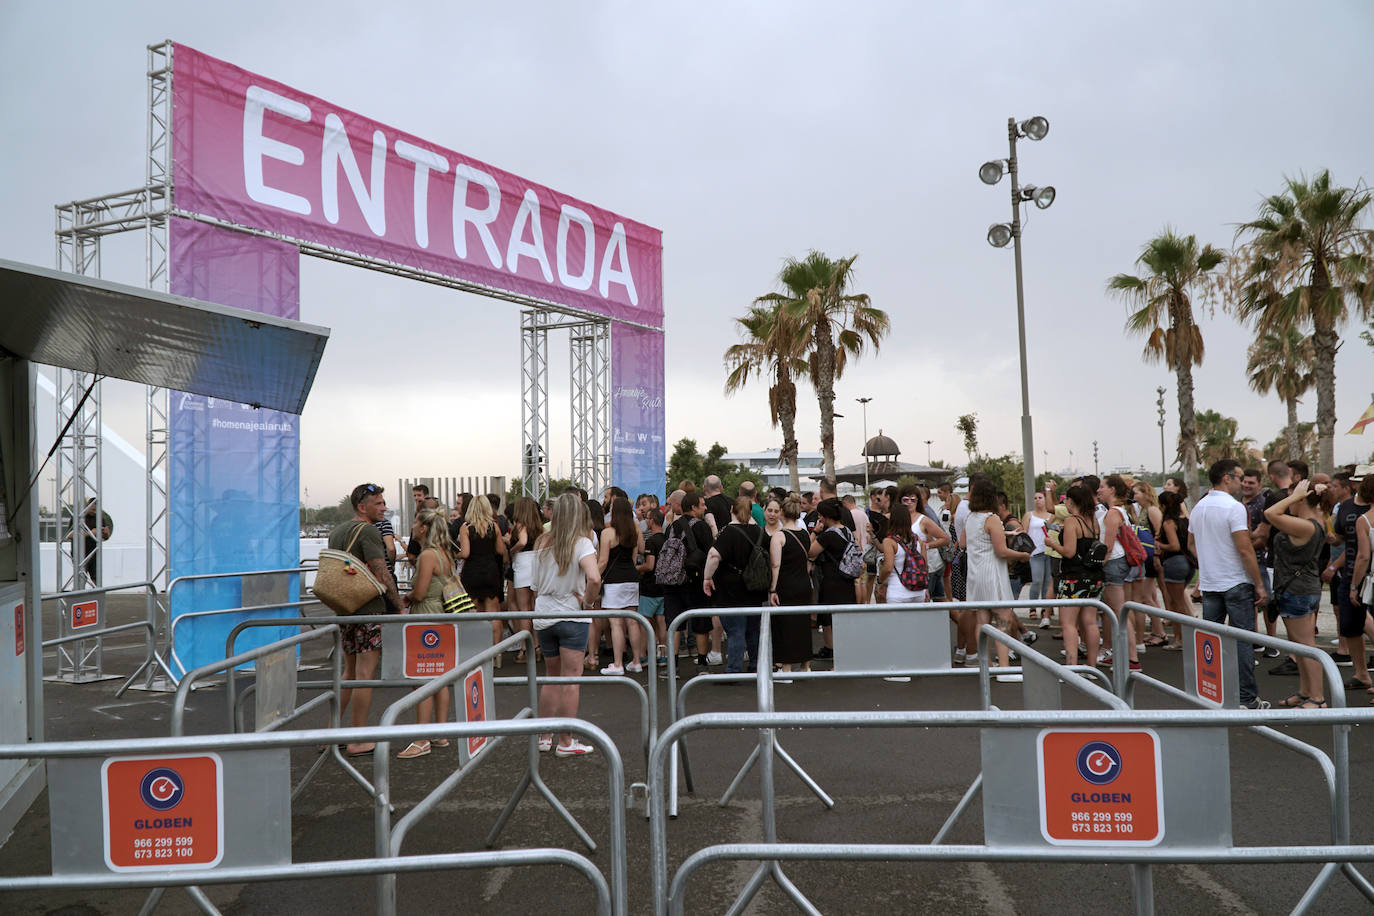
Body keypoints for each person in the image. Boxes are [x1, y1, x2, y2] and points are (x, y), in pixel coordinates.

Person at [328, 483, 402, 757]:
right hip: (368, 609)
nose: (383, 507)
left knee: (348, 673)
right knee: (365, 674)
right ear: (363, 507)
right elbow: (381, 571)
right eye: (379, 503)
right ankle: (358, 738)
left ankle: (331, 733)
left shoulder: (337, 532)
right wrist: (398, 605)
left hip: (344, 609)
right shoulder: (369, 531)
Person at [1189, 459, 1269, 709]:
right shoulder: (1234, 508)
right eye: (1239, 477)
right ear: (1227, 478)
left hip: (1212, 583)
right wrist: (1259, 584)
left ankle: (1211, 693)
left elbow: (1191, 545)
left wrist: (1209, 563)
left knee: (1210, 642)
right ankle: (1246, 698)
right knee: (1242, 640)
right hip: (1235, 581)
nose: (1241, 482)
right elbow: (1245, 549)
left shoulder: (1199, 507)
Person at [530, 493, 601, 756]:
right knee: (571, 680)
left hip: (544, 614)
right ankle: (566, 741)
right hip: (572, 614)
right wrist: (589, 604)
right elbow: (594, 578)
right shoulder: (581, 543)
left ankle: (544, 736)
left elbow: (534, 585)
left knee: (552, 678)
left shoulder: (541, 541)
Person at [396, 508, 458, 759]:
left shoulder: (427, 555)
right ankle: (439, 732)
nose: (412, 526)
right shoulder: (445, 553)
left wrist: (406, 598)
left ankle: (422, 739)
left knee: (420, 676)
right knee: (440, 676)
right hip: (442, 614)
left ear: (423, 528)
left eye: (415, 522)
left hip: (425, 616)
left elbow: (420, 592)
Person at [1263, 480, 1329, 708]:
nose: (1286, 503)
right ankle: (1305, 691)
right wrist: (1305, 494)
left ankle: (1318, 698)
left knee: (1306, 646)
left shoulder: (1307, 526)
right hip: (1299, 588)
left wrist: (1295, 496)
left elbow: (1270, 513)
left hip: (1298, 590)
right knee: (1298, 646)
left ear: (1302, 499)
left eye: (1291, 498)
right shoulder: (1312, 520)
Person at [961, 478, 1031, 680]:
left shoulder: (971, 517)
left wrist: (1006, 532)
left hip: (976, 574)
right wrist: (1022, 556)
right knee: (1003, 619)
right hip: (992, 573)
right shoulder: (991, 518)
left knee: (982, 621)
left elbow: (964, 543)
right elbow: (1001, 551)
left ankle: (988, 667)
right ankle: (1004, 669)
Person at [703, 495, 776, 674]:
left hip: (731, 589)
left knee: (736, 630)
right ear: (751, 512)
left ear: (731, 511)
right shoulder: (760, 532)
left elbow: (713, 556)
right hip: (755, 586)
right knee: (753, 630)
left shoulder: (728, 533)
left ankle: (733, 669)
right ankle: (757, 666)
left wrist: (707, 578)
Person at [1045, 483, 1103, 668]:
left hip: (1073, 577)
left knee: (1068, 624)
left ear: (1070, 501)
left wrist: (1052, 543)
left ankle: (1071, 666)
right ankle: (1092, 667)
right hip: (1094, 576)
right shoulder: (1093, 521)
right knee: (1090, 623)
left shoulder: (1072, 521)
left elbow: (1069, 552)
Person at [598, 496, 647, 674]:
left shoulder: (608, 533)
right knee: (632, 622)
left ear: (613, 511)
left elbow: (603, 561)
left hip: (613, 582)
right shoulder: (634, 531)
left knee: (616, 623)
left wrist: (593, 577)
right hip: (632, 579)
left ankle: (618, 664)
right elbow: (636, 556)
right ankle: (636, 661)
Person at [1333, 474, 1374, 690]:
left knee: (1352, 622)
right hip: (1356, 574)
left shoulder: (1364, 520)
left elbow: (1363, 556)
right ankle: (1361, 674)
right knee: (1352, 626)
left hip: (1360, 577)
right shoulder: (1348, 509)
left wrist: (1353, 586)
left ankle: (1363, 674)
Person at [459, 492, 509, 663]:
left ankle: (475, 653)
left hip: (472, 572)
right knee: (493, 614)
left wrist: (456, 553)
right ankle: (497, 654)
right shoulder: (493, 526)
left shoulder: (466, 527)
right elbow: (501, 551)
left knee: (472, 614)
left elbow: (465, 553)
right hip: (490, 571)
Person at [1098, 475, 1141, 671]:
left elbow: (1107, 546)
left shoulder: (1113, 513)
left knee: (1118, 612)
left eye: (1102, 487)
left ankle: (1131, 659)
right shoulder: (1118, 511)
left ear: (1112, 490)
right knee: (1117, 611)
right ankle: (1123, 654)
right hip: (1117, 562)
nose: (1099, 490)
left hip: (1114, 563)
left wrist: (1099, 564)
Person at [808, 497, 857, 658]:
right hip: (847, 579)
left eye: (820, 515)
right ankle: (846, 648)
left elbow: (811, 552)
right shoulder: (847, 531)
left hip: (831, 579)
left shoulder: (827, 535)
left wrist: (815, 532)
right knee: (845, 615)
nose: (819, 518)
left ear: (826, 516)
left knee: (828, 615)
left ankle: (831, 648)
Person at [771, 496, 814, 672]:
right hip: (803, 583)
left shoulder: (779, 536)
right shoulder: (804, 534)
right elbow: (809, 558)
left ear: (782, 512)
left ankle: (786, 668)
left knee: (785, 625)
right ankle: (806, 666)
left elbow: (775, 565)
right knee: (803, 624)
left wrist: (772, 588)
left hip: (785, 584)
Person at [506, 497, 544, 663]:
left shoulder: (520, 525)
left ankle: (525, 648)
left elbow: (523, 542)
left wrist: (511, 550)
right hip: (536, 564)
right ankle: (537, 646)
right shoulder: (540, 527)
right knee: (535, 608)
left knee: (524, 609)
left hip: (522, 564)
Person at [1155, 490, 1193, 650]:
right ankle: (1185, 638)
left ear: (1163, 506)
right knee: (1180, 603)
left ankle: (1180, 639)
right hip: (1189, 562)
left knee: (1176, 605)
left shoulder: (1169, 522)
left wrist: (1159, 545)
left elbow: (1174, 545)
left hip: (1175, 562)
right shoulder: (1186, 520)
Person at [876, 503, 927, 604]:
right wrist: (926, 589)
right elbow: (925, 565)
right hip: (919, 591)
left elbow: (888, 568)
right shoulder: (918, 540)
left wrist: (879, 582)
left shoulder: (889, 541)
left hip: (897, 592)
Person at [637, 508, 668, 662]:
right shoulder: (667, 539)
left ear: (653, 520)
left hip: (650, 588)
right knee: (662, 621)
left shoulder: (651, 541)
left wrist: (636, 569)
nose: (646, 521)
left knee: (644, 622)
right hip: (664, 586)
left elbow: (649, 565)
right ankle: (663, 655)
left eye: (647, 518)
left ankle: (643, 655)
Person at [1022, 490, 1054, 628]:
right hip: (1035, 553)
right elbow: (1023, 533)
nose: (1037, 500)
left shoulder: (1051, 515)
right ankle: (1032, 606)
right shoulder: (1029, 515)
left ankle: (1044, 609)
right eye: (1035, 498)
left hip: (1049, 552)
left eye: (1040, 497)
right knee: (1036, 580)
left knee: (1047, 582)